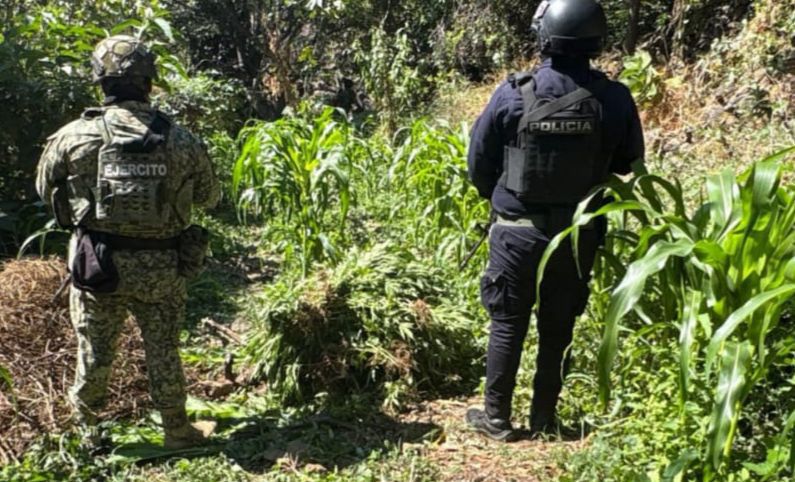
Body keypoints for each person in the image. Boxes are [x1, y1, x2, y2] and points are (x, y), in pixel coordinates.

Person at [465, 0, 645, 441]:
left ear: (544, 35)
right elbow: (627, 163)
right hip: (578, 233)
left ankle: (496, 419)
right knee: (559, 323)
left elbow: (478, 163)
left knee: (507, 321)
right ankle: (544, 419)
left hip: (517, 231)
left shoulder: (512, 92)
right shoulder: (614, 98)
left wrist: (506, 201)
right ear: (596, 39)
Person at [36, 35, 220, 449]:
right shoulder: (182, 139)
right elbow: (209, 197)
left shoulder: (73, 136)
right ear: (149, 82)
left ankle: (87, 434)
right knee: (164, 349)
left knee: (94, 351)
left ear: (101, 83)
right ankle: (177, 430)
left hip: (98, 266)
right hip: (163, 267)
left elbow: (44, 189)